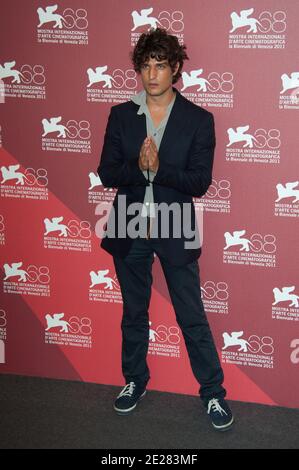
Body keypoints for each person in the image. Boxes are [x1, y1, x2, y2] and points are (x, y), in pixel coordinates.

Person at [97, 27, 234, 431]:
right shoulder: (121, 115)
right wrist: (138, 169)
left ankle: (212, 392)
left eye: (160, 65)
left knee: (192, 315)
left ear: (175, 69)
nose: (152, 73)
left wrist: (160, 169)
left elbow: (199, 182)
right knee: (134, 313)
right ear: (138, 69)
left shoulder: (198, 120)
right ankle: (134, 381)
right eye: (145, 65)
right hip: (128, 225)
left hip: (176, 227)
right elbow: (107, 172)